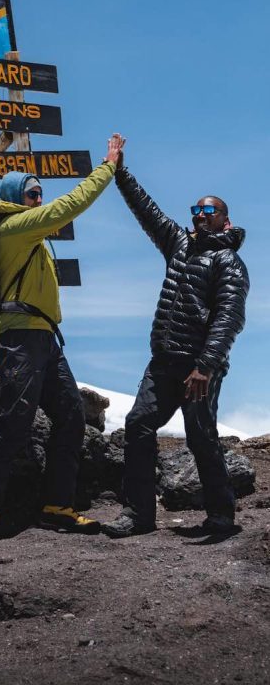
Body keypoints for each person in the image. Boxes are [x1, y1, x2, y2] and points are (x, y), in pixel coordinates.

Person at [0, 134, 124, 541]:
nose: (40, 199)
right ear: (17, 197)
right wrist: (108, 166)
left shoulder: (27, 236)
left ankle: (58, 504)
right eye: (33, 193)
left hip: (44, 339)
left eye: (40, 193)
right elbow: (70, 205)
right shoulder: (15, 226)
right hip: (19, 339)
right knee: (15, 423)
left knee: (71, 417)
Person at [102, 137, 249, 538]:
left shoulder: (228, 262)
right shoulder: (179, 245)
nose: (200, 215)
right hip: (163, 360)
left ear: (225, 220)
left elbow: (228, 318)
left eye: (209, 210)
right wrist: (119, 170)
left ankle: (221, 516)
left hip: (198, 367)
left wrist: (205, 366)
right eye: (196, 210)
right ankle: (139, 515)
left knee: (201, 438)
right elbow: (146, 210)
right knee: (138, 424)